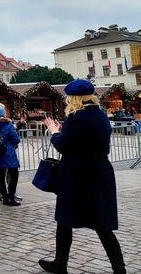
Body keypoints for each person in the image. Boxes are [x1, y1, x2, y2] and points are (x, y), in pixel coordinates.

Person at [39, 79, 126, 274]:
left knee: (65, 219)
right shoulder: (101, 116)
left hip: (77, 174)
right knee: (102, 223)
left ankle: (60, 263)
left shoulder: (77, 117)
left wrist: (54, 132)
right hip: (99, 171)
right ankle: (119, 268)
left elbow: (64, 145)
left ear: (74, 98)